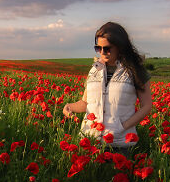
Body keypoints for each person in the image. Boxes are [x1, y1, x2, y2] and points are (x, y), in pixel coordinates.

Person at [62, 21, 152, 152]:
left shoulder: (135, 71)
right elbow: (85, 103)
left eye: (107, 48)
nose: (102, 52)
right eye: (98, 48)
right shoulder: (94, 70)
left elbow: (147, 106)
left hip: (119, 143)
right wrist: (70, 106)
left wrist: (122, 126)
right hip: (90, 141)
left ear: (120, 47)